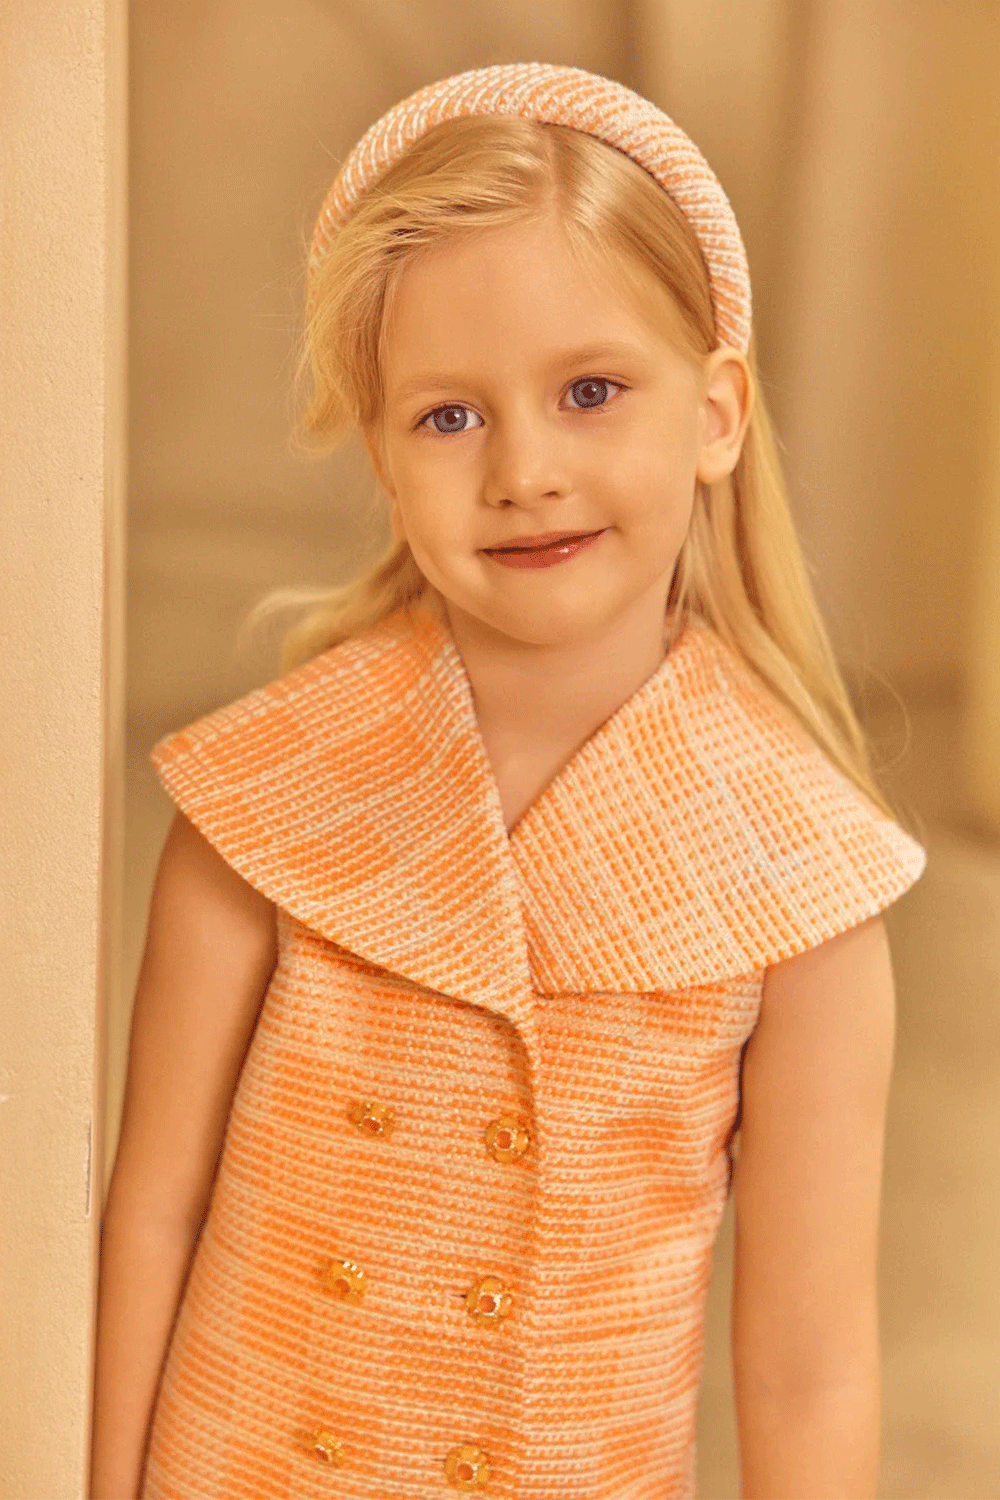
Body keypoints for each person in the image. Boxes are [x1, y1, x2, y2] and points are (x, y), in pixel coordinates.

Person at [89, 61, 928, 1500]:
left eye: (591, 390)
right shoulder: (264, 801)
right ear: (382, 457)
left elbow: (807, 1371)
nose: (525, 468)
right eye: (449, 418)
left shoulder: (803, 884)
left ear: (718, 413)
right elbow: (151, 1220)